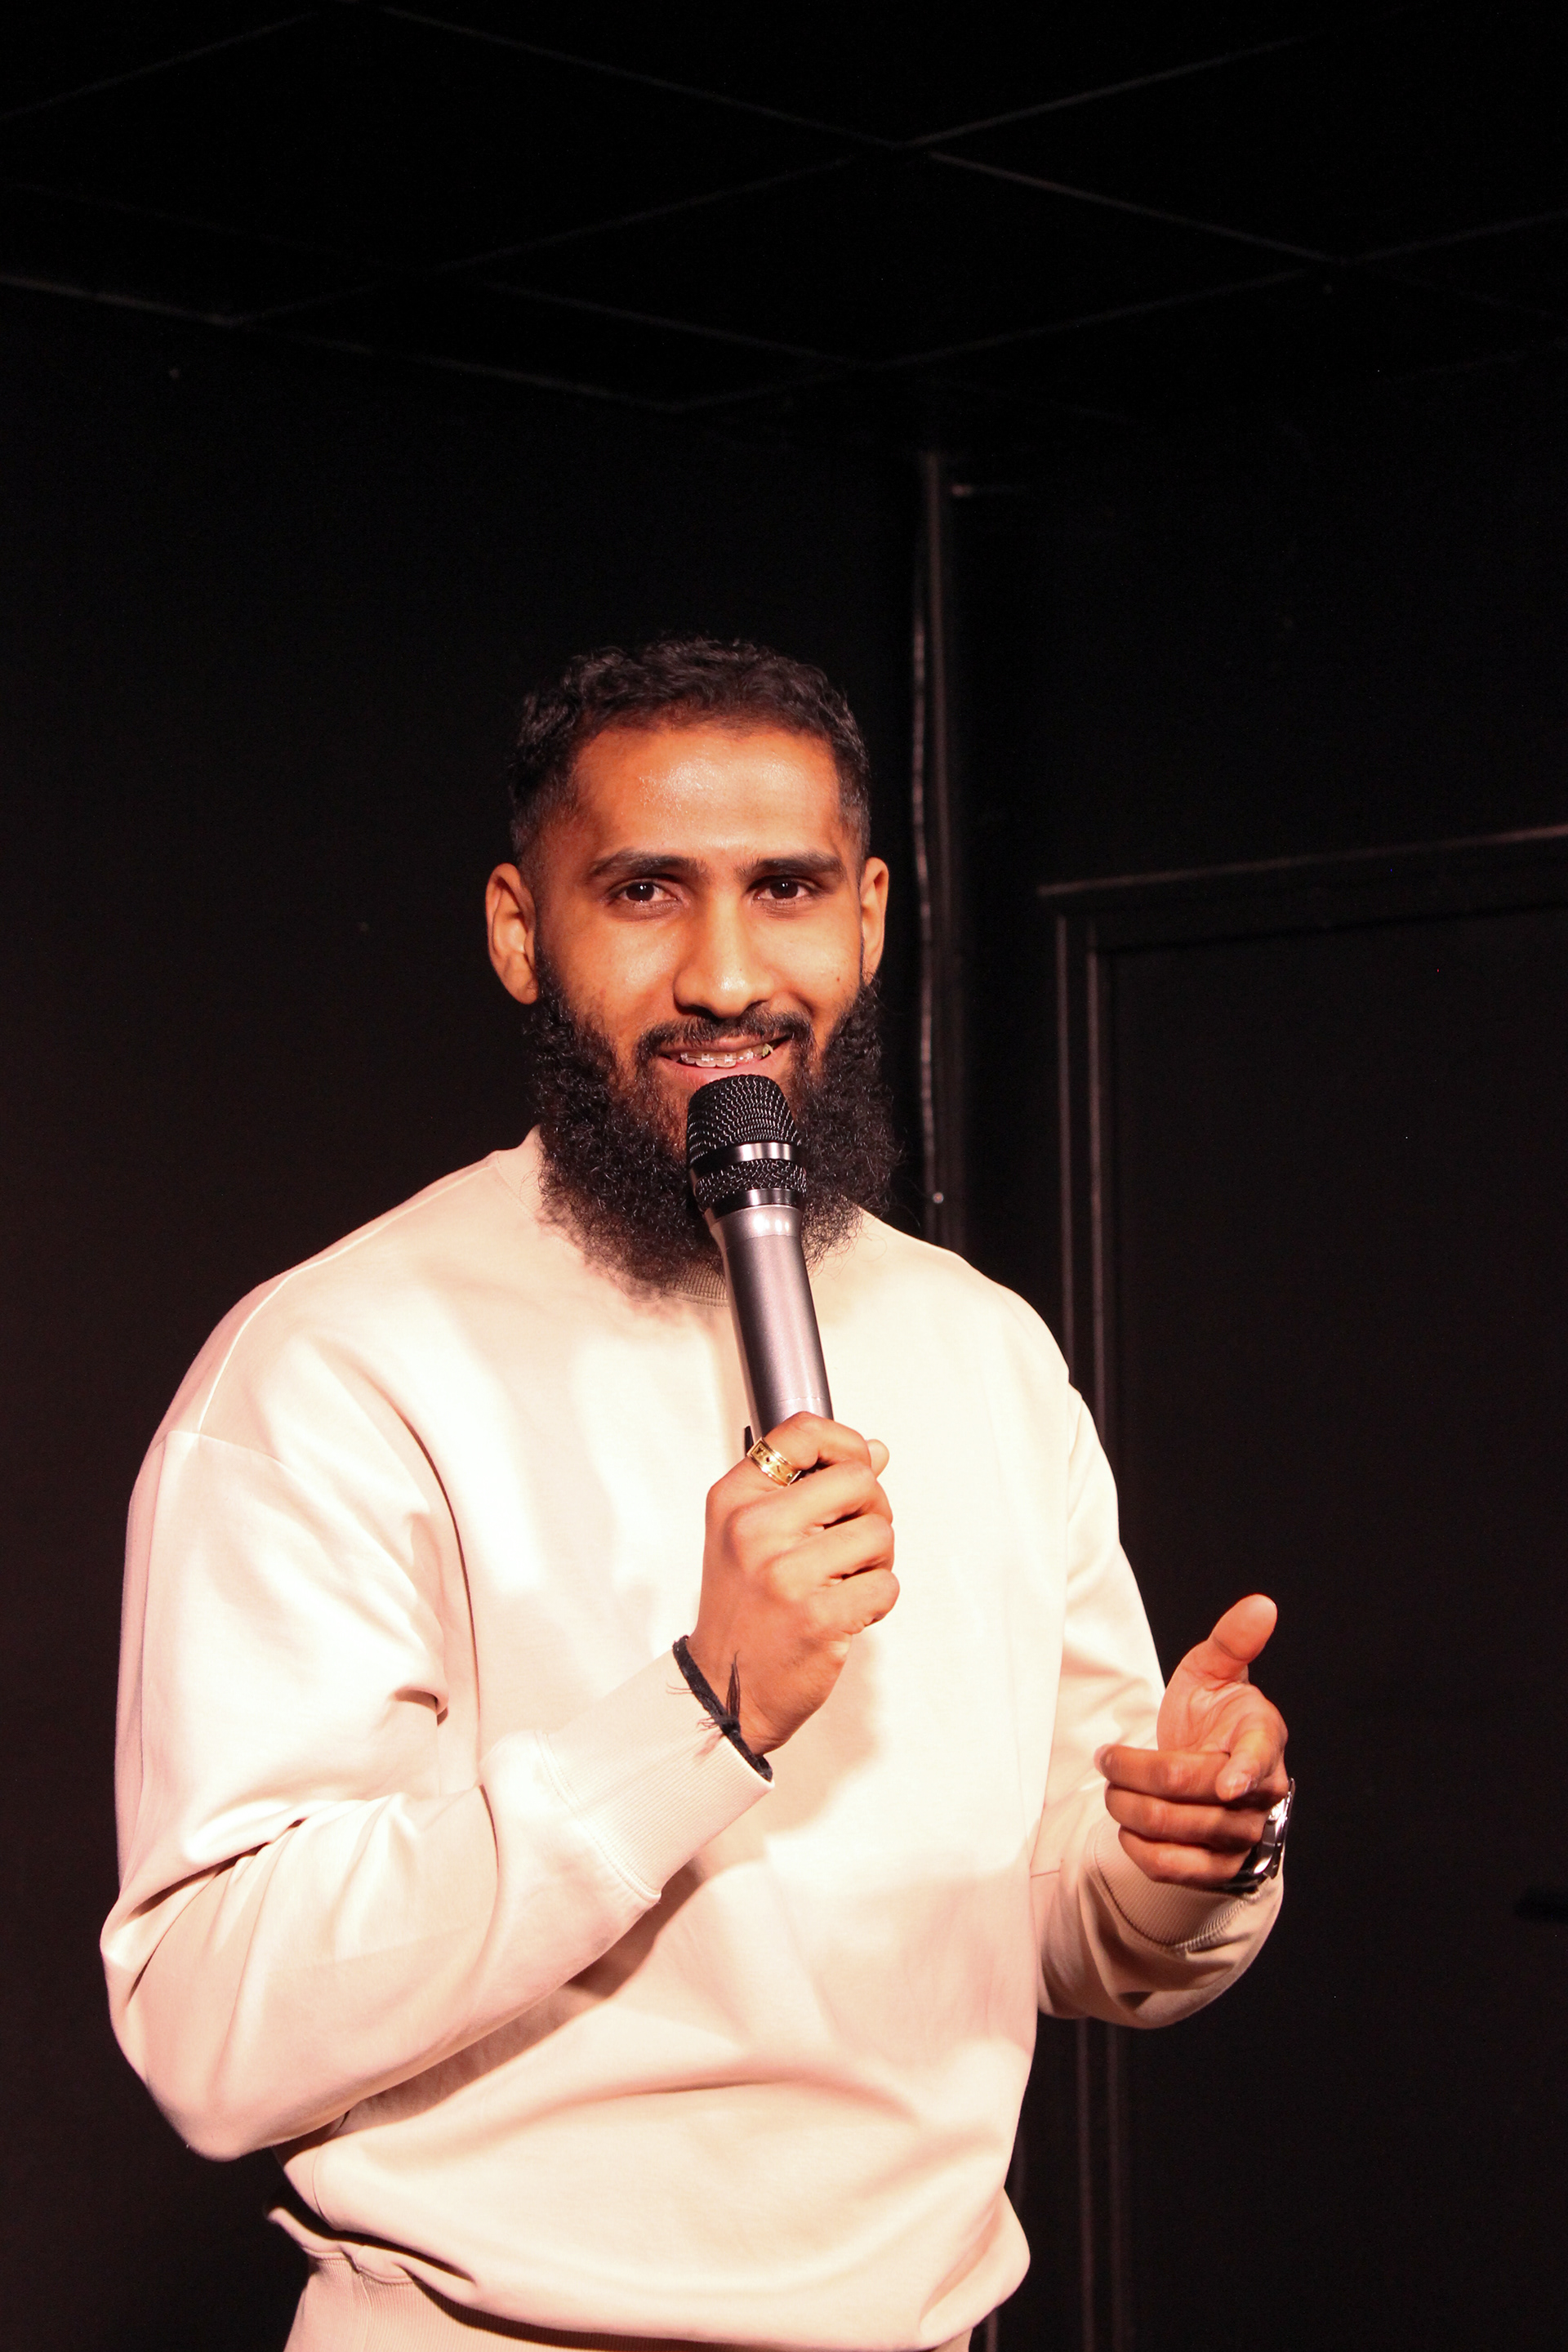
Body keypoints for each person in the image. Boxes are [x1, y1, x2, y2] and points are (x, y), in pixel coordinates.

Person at [103, 638, 1290, 2352]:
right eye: (646, 890)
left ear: (867, 921)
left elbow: (1067, 1923)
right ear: (522, 929)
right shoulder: (337, 1363)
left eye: (786, 889)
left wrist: (1190, 1852)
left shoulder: (983, 1348)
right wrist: (699, 1713)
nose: (728, 976)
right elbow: (214, 2027)